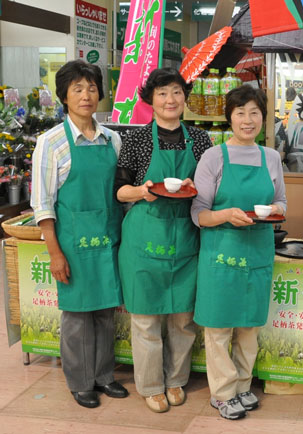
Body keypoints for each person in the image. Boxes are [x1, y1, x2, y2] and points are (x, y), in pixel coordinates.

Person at [31, 59, 128, 408]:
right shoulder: (51, 142)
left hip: (108, 239)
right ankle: (80, 382)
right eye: (77, 89)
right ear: (64, 96)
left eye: (91, 88)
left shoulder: (113, 140)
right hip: (72, 244)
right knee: (77, 316)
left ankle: (104, 377)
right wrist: (55, 253)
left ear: (100, 93)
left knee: (104, 312)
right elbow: (43, 204)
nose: (86, 95)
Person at [114, 68, 212, 413]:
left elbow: (210, 189)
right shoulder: (137, 140)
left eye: (176, 92)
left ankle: (176, 380)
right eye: (162, 94)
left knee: (183, 319)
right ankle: (151, 385)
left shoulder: (200, 139)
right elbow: (120, 192)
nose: (170, 100)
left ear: (185, 97)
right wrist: (143, 191)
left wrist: (195, 187)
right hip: (144, 237)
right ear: (150, 100)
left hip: (186, 237)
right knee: (145, 319)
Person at [191, 85, 287, 420]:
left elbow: (282, 203)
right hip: (221, 252)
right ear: (229, 116)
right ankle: (222, 393)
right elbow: (199, 213)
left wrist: (274, 207)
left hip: (257, 251)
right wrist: (226, 214)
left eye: (254, 113)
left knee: (249, 326)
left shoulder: (271, 157)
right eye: (240, 112)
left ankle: (243, 386)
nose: (247, 120)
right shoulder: (213, 156)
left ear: (263, 116)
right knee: (218, 328)